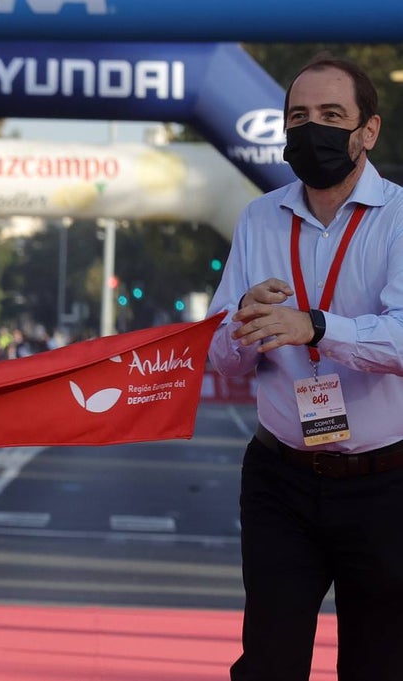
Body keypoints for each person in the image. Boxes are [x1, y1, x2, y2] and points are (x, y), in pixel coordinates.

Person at [207, 53, 403, 681]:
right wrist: (243, 321)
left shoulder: (400, 218)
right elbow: (221, 358)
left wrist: (317, 326)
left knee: (380, 664)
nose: (311, 129)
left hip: (386, 485)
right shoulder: (257, 218)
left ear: (367, 132)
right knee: (268, 663)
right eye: (298, 117)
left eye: (331, 115)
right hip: (280, 478)